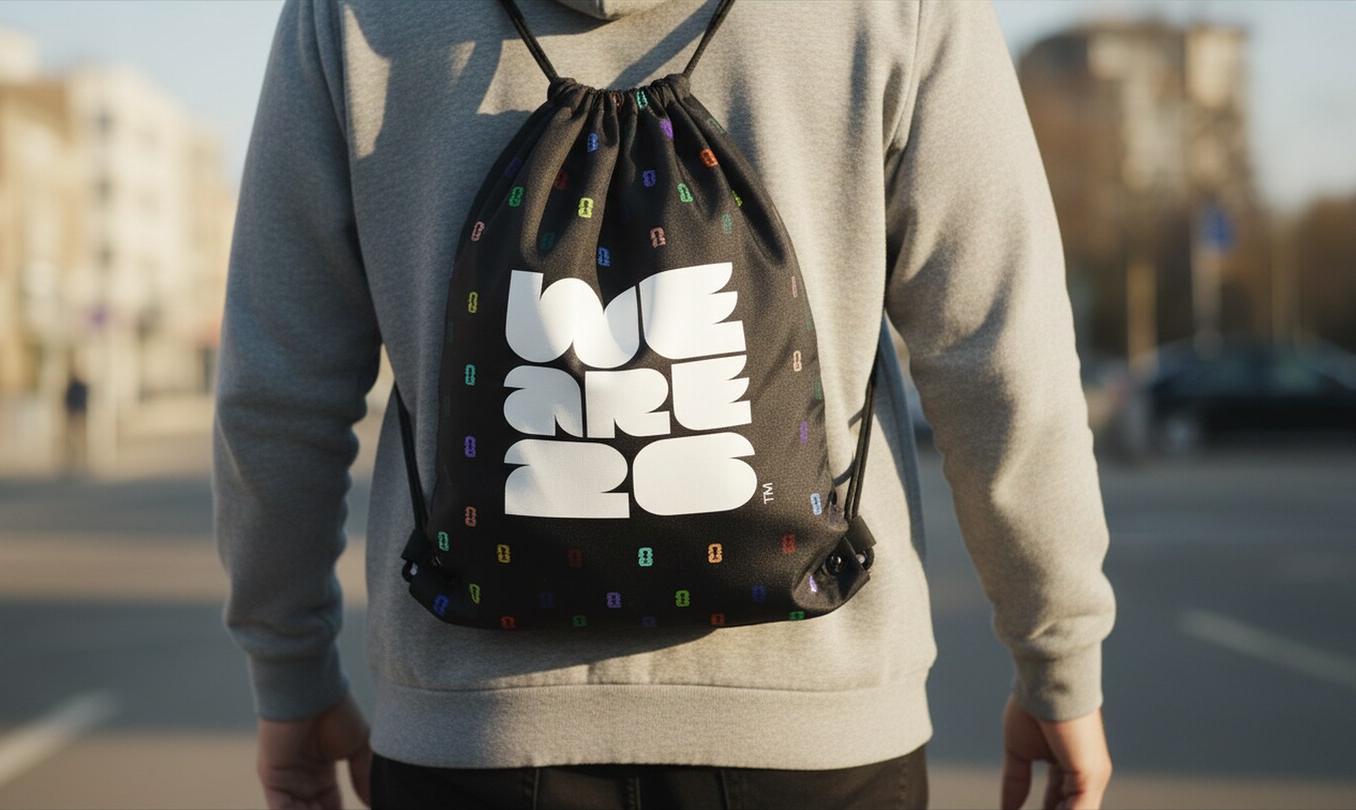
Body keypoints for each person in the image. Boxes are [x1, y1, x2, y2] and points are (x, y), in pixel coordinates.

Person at [215, 1, 1117, 808]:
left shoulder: (351, 16)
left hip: (472, 736)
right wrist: (1058, 660)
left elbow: (278, 387)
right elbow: (999, 354)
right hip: (821, 739)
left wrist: (290, 675)